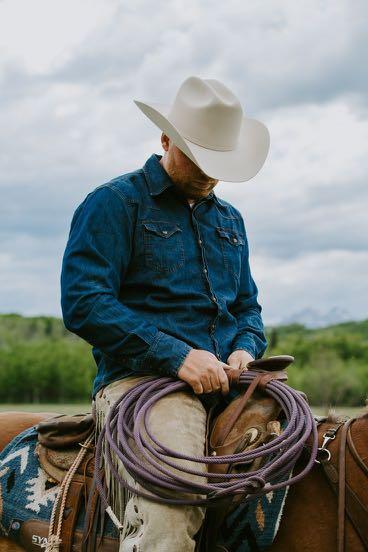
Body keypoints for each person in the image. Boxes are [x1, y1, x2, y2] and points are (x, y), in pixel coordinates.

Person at [60, 75, 270, 552]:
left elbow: (246, 306)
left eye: (219, 163)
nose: (209, 173)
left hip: (229, 381)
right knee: (171, 511)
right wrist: (177, 356)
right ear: (165, 140)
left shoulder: (230, 221)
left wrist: (245, 346)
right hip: (143, 383)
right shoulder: (114, 204)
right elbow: (84, 303)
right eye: (199, 158)